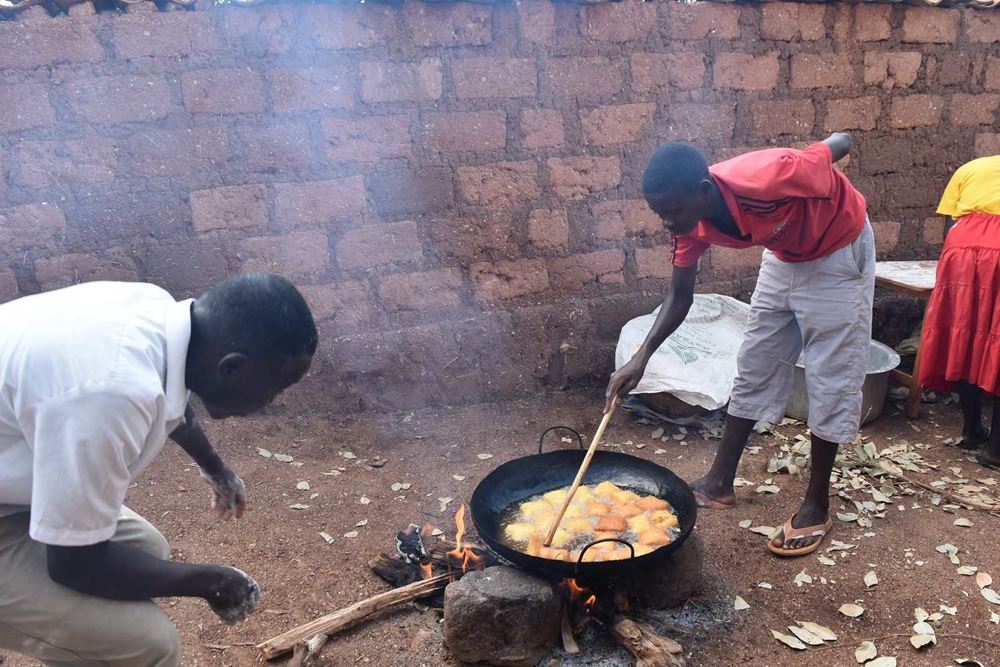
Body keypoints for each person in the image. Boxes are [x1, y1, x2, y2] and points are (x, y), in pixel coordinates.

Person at [0, 272, 317, 666]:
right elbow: (74, 564)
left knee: (145, 548)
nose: (270, 402)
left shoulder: (156, 313)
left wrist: (214, 467)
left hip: (12, 493)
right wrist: (211, 581)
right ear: (232, 368)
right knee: (149, 644)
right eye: (275, 387)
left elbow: (174, 405)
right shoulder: (108, 393)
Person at [606, 134, 874, 557]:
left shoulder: (770, 175)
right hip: (786, 254)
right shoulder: (689, 226)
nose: (667, 223)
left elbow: (839, 143)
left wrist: (834, 151)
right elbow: (679, 297)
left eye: (672, 212)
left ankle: (816, 505)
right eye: (660, 214)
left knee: (830, 374)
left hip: (839, 246)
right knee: (754, 361)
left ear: (705, 192)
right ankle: (718, 483)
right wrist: (641, 359)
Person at [918, 155, 1000, 471]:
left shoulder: (969, 168)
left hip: (961, 248)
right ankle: (995, 449)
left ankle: (971, 429)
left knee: (963, 334)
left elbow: (949, 225)